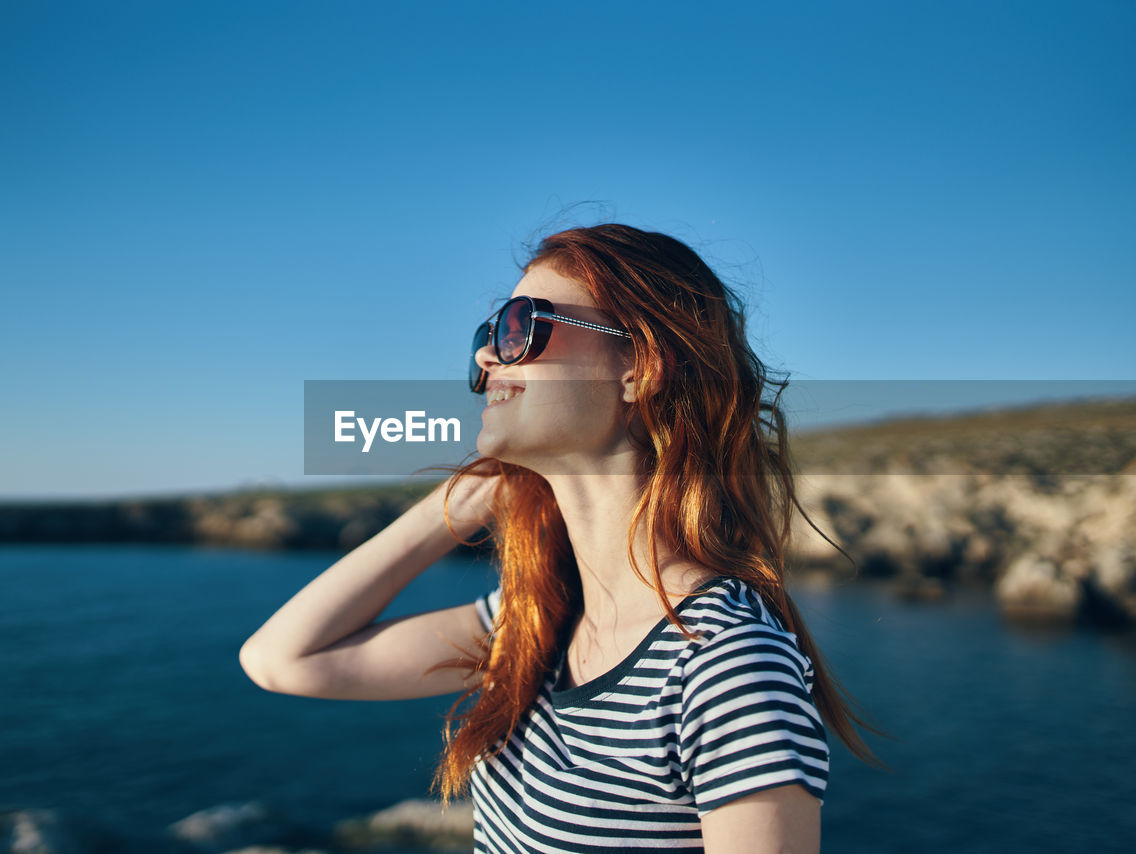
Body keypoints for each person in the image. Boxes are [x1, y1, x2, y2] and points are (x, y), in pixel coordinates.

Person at [240, 223, 887, 853]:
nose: (486, 355)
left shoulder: (724, 663)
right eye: (486, 335)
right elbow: (282, 660)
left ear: (639, 365)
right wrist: (460, 501)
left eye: (521, 326)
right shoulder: (532, 623)